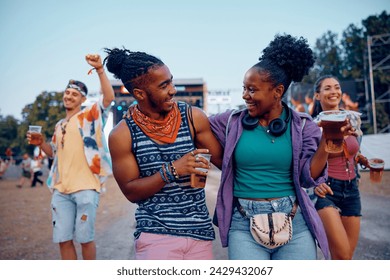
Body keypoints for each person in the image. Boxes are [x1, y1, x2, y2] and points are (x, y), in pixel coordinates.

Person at [208, 34, 357, 260]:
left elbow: (308, 177)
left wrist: (327, 143)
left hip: (293, 221)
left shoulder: (303, 126)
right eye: (244, 88)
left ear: (277, 92)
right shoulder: (231, 121)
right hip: (243, 223)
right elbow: (197, 124)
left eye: (252, 90)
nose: (244, 95)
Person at [105, 47, 223, 260]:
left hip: (200, 233)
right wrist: (172, 170)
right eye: (164, 85)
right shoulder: (122, 135)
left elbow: (225, 161)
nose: (173, 90)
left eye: (171, 81)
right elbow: (131, 192)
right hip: (155, 235)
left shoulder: (193, 117)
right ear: (140, 94)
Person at [26, 54, 114, 260]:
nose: (69, 97)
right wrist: (41, 144)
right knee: (63, 239)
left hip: (85, 188)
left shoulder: (88, 116)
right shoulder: (59, 125)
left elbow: (108, 99)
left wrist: (100, 70)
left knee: (85, 239)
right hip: (61, 190)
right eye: (67, 93)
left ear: (83, 99)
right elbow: (54, 153)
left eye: (75, 94)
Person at [312, 75, 369, 260]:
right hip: (327, 190)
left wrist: (360, 158)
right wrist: (313, 185)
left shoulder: (353, 120)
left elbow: (352, 150)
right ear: (317, 96)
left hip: (352, 190)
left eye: (336, 87)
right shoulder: (313, 127)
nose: (334, 91)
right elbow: (307, 166)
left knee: (345, 260)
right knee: (342, 255)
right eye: (327, 88)